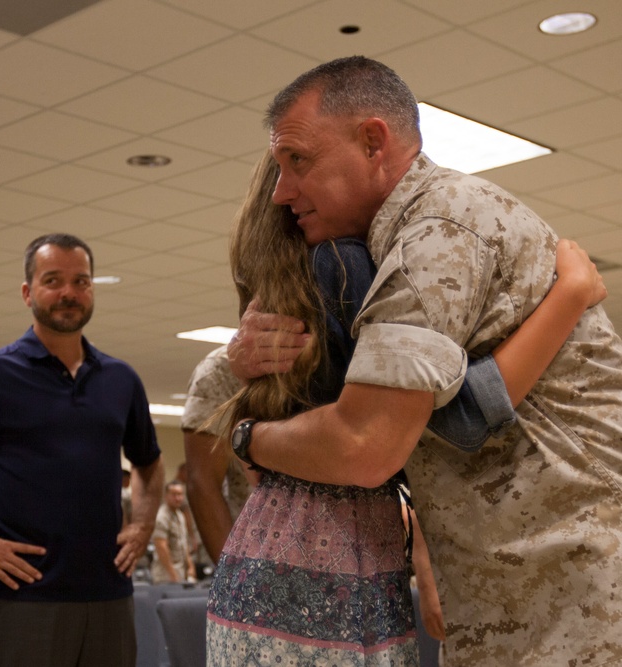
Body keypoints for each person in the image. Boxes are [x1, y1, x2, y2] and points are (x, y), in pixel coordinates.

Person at [225, 56, 621, 665]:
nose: (283, 191)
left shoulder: (437, 230)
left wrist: (248, 438)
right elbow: (444, 423)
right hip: (530, 577)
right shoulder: (388, 246)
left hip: (570, 583)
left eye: (298, 161)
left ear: (373, 141)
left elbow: (369, 443)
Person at [0, 233, 164, 667]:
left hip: (110, 595)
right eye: (53, 280)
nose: (68, 293)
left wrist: (141, 526)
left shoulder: (121, 380)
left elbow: (149, 463)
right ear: (28, 292)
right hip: (25, 601)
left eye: (81, 282)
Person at [181, 344, 253, 565]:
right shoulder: (225, 366)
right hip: (255, 557)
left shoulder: (346, 353)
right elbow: (202, 483)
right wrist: (232, 577)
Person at [151, 481, 196, 584]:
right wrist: (172, 574)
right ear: (166, 496)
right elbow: (161, 547)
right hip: (166, 575)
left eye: (180, 494)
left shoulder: (180, 515)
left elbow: (184, 544)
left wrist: (190, 567)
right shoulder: (162, 517)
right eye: (174, 494)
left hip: (181, 573)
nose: (177, 498)